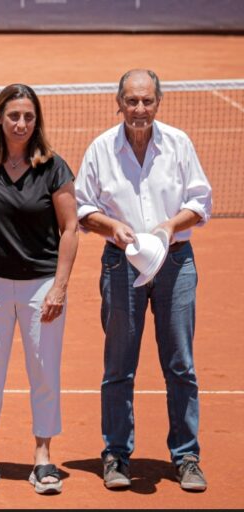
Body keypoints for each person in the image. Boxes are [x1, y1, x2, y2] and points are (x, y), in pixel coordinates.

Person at [75, 69, 212, 492]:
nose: (139, 109)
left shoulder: (178, 144)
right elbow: (83, 207)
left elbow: (200, 200)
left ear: (158, 102)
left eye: (147, 101)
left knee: (181, 365)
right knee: (118, 366)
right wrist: (111, 227)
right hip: (121, 263)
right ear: (119, 102)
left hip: (175, 263)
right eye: (132, 101)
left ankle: (186, 456)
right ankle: (116, 454)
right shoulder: (101, 148)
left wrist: (170, 227)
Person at [0, 83, 79, 495]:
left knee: (43, 369)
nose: (21, 123)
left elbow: (71, 229)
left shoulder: (54, 167)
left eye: (28, 116)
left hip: (40, 284)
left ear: (36, 120)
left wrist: (59, 287)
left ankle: (43, 457)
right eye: (14, 115)